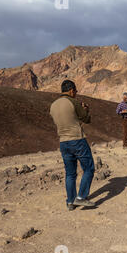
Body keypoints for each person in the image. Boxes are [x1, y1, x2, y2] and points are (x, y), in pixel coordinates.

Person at [50, 80, 95, 211]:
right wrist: (86, 110)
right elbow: (87, 119)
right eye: (75, 91)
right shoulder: (73, 102)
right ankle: (81, 197)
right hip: (77, 140)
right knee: (89, 168)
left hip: (63, 142)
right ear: (71, 90)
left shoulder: (53, 105)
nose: (75, 93)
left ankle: (70, 201)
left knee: (70, 173)